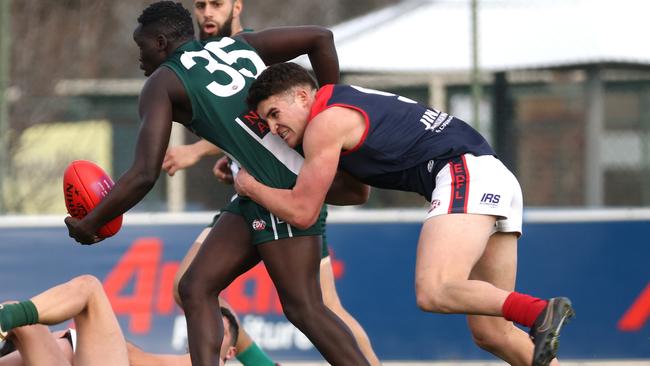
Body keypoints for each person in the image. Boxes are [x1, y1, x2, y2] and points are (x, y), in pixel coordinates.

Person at [64, 2, 371, 365]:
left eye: (142, 47)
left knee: (305, 307)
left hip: (277, 188)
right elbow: (322, 38)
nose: (140, 58)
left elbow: (144, 174)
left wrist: (91, 222)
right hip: (265, 187)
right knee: (195, 287)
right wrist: (328, 118)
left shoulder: (161, 82)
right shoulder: (238, 44)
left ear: (161, 43)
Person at [235, 62, 576, 366]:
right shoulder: (342, 104)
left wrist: (252, 187)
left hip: (462, 172)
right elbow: (357, 192)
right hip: (491, 176)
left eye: (275, 113)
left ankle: (539, 311)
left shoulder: (325, 123)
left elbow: (303, 211)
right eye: (266, 120)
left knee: (434, 289)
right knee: (492, 332)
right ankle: (537, 316)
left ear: (302, 97)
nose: (273, 126)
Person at [162, 2, 381, 364]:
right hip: (249, 193)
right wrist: (230, 160)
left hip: (286, 190)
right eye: (199, 5)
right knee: (191, 286)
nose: (207, 13)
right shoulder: (198, 59)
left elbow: (272, 118)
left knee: (319, 307)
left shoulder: (248, 47)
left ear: (237, 5)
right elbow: (248, 128)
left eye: (216, 3)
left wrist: (197, 151)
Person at [0, 275, 238, 366]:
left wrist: (71, 340)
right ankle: (7, 319)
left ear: (232, 352)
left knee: (89, 288)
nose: (207, 332)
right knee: (18, 319)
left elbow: (138, 359)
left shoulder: (209, 362)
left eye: (220, 332)